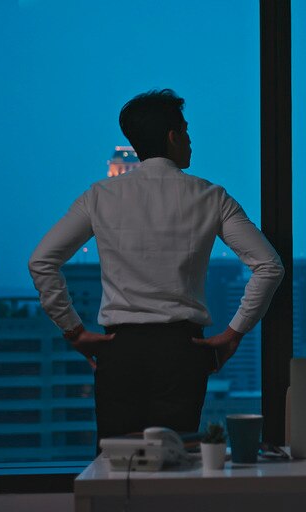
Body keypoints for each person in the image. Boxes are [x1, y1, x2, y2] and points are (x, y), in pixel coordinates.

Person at [28, 89, 284, 442]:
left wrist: (73, 330)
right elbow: (269, 266)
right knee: (174, 471)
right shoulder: (211, 197)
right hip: (182, 352)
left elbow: (42, 261)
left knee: (118, 472)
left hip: (120, 350)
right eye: (186, 131)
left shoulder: (99, 196)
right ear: (172, 136)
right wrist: (233, 333)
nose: (191, 140)